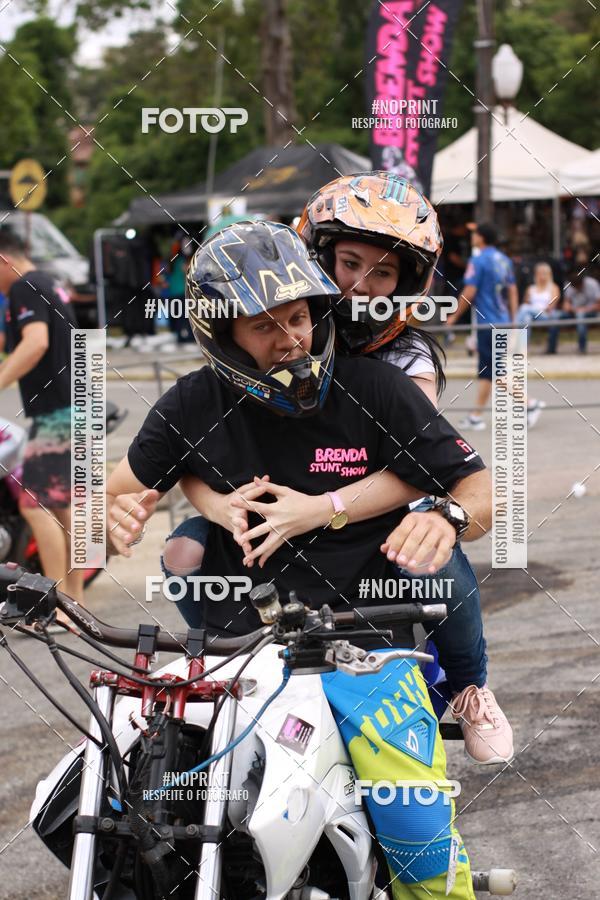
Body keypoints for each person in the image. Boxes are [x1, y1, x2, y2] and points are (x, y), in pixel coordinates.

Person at [107, 221, 494, 899]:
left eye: (299, 317)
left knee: (418, 835)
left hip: (366, 645)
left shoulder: (373, 386)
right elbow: (110, 492)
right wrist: (104, 519)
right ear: (221, 335)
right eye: (264, 327)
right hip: (239, 655)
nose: (291, 339)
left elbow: (478, 486)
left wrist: (447, 516)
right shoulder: (192, 403)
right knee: (144, 812)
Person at [297, 173, 513, 762]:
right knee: (185, 552)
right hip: (289, 503)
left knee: (439, 568)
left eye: (383, 272)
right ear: (314, 255)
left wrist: (327, 507)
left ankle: (469, 687)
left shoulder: (407, 357)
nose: (360, 284)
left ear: (406, 284)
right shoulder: (282, 331)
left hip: (385, 506)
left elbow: (419, 465)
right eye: (347, 261)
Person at [0, 230, 84, 619]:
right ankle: (74, 605)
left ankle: (56, 605)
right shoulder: (50, 282)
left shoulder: (23, 286)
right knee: (64, 508)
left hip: (57, 409)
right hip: (77, 403)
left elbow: (35, 344)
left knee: (36, 505)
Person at [446, 223, 544, 430]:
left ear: (481, 238)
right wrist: (513, 320)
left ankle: (530, 404)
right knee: (487, 371)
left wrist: (453, 317)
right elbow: (513, 291)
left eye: (475, 234)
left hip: (486, 323)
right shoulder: (504, 260)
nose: (472, 237)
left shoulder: (478, 260)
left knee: (495, 372)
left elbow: (470, 291)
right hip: (502, 321)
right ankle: (476, 416)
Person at [546, 271, 600, 354]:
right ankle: (551, 349)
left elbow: (598, 305)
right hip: (573, 312)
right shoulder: (569, 284)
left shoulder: (592, 284)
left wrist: (584, 309)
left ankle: (582, 349)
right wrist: (568, 307)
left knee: (580, 315)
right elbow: (566, 302)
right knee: (555, 315)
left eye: (577, 287)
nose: (575, 289)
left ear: (582, 283)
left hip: (591, 312)